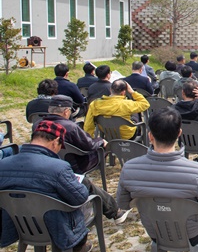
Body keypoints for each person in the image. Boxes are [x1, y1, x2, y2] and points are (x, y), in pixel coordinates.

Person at [117, 108, 198, 246]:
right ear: (179, 133)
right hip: (192, 234)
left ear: (150, 136)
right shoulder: (197, 171)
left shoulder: (129, 168)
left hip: (154, 232)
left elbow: (122, 203)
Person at [0, 121, 91, 252]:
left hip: (17, 225)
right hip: (57, 229)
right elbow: (80, 198)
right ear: (56, 141)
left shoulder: (2, 165)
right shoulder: (58, 167)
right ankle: (79, 246)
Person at [37, 95, 130, 224]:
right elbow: (89, 145)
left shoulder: (38, 125)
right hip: (76, 164)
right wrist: (100, 141)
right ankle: (114, 210)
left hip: (49, 165)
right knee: (103, 149)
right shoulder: (70, 127)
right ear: (66, 111)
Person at [84, 80, 150, 140]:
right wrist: (132, 92)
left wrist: (91, 139)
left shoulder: (95, 104)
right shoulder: (127, 104)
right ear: (123, 92)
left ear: (110, 90)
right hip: (128, 135)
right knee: (135, 113)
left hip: (107, 133)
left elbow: (88, 124)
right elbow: (145, 104)